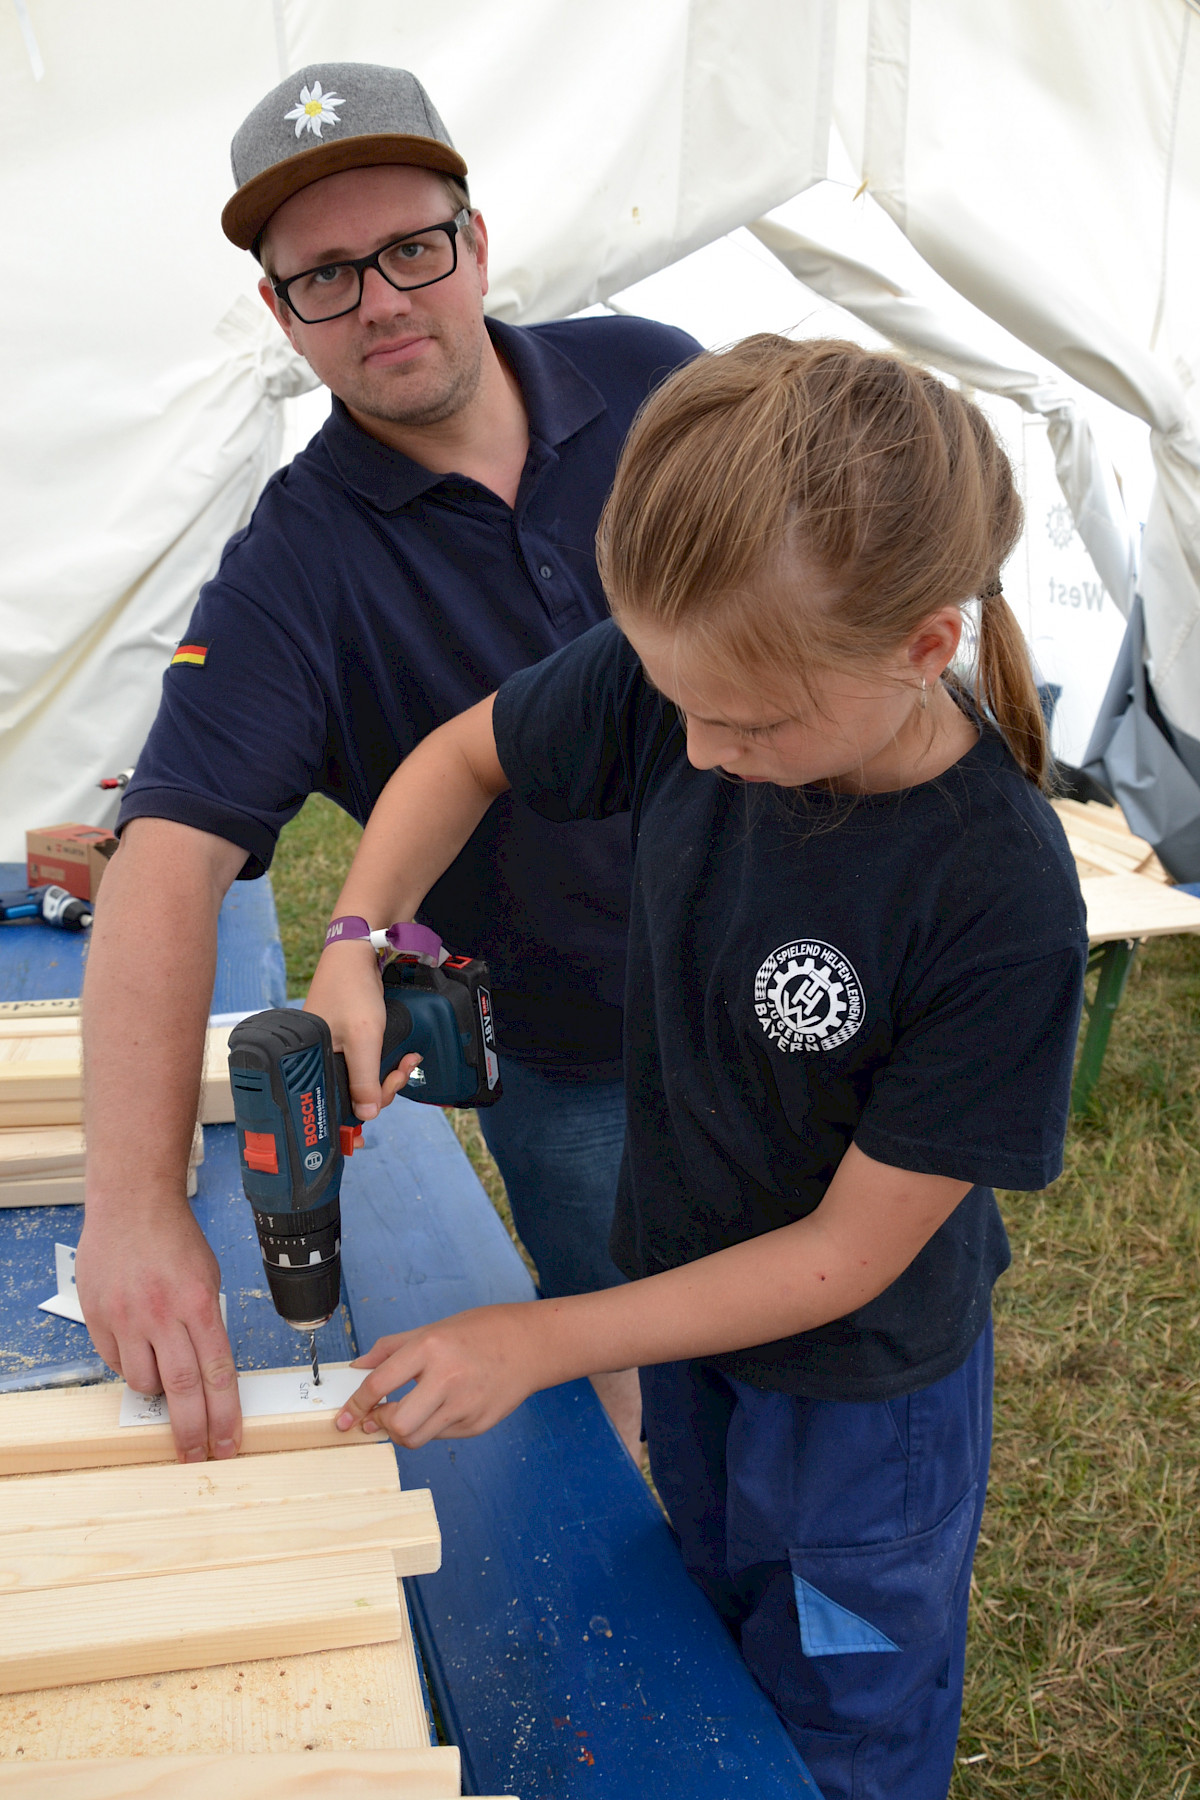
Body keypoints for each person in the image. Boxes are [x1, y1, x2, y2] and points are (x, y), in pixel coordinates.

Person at [303, 336, 1088, 1797]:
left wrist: (546, 1338)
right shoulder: (702, 672)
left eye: (753, 723)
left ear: (925, 646)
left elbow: (845, 1257)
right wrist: (356, 933)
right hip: (690, 1332)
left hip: (857, 1401)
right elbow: (460, 758)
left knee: (838, 1715)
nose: (706, 753)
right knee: (710, 1632)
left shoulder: (999, 899)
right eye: (680, 708)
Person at [76, 62, 698, 1464]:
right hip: (575, 1066)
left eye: (411, 249)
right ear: (280, 315)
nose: (380, 301)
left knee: (853, 1336)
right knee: (636, 1382)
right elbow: (165, 869)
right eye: (326, 278)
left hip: (793, 996)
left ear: (474, 243)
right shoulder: (291, 570)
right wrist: (133, 1206)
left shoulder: (660, 379)